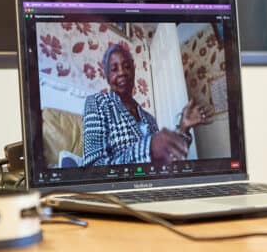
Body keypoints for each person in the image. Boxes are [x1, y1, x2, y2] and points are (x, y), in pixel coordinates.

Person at [82, 43, 210, 167]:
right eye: (114, 69)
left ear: (133, 70)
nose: (122, 72)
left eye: (126, 66)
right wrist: (149, 148)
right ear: (107, 76)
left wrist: (183, 128)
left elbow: (167, 160)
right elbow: (93, 168)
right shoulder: (97, 103)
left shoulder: (149, 118)